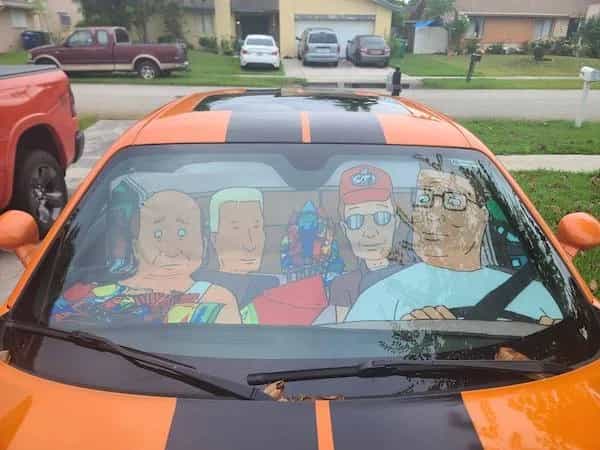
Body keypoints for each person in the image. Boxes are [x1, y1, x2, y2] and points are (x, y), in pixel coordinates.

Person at [344, 168, 563, 324]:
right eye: (424, 199)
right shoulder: (381, 296)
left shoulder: (536, 296)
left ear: (482, 217)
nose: (433, 214)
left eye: (454, 201)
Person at [51, 190, 241, 325]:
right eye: (158, 234)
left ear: (204, 244)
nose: (172, 249)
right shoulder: (87, 293)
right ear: (135, 245)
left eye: (182, 233)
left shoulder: (216, 298)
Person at [328, 165, 403, 322]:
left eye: (381, 217)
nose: (370, 232)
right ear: (345, 229)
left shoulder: (414, 278)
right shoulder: (343, 286)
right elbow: (343, 332)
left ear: (395, 222)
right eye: (356, 220)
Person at [192, 188, 278, 311]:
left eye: (256, 227)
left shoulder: (274, 289)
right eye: (236, 229)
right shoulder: (197, 292)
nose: (250, 244)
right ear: (214, 239)